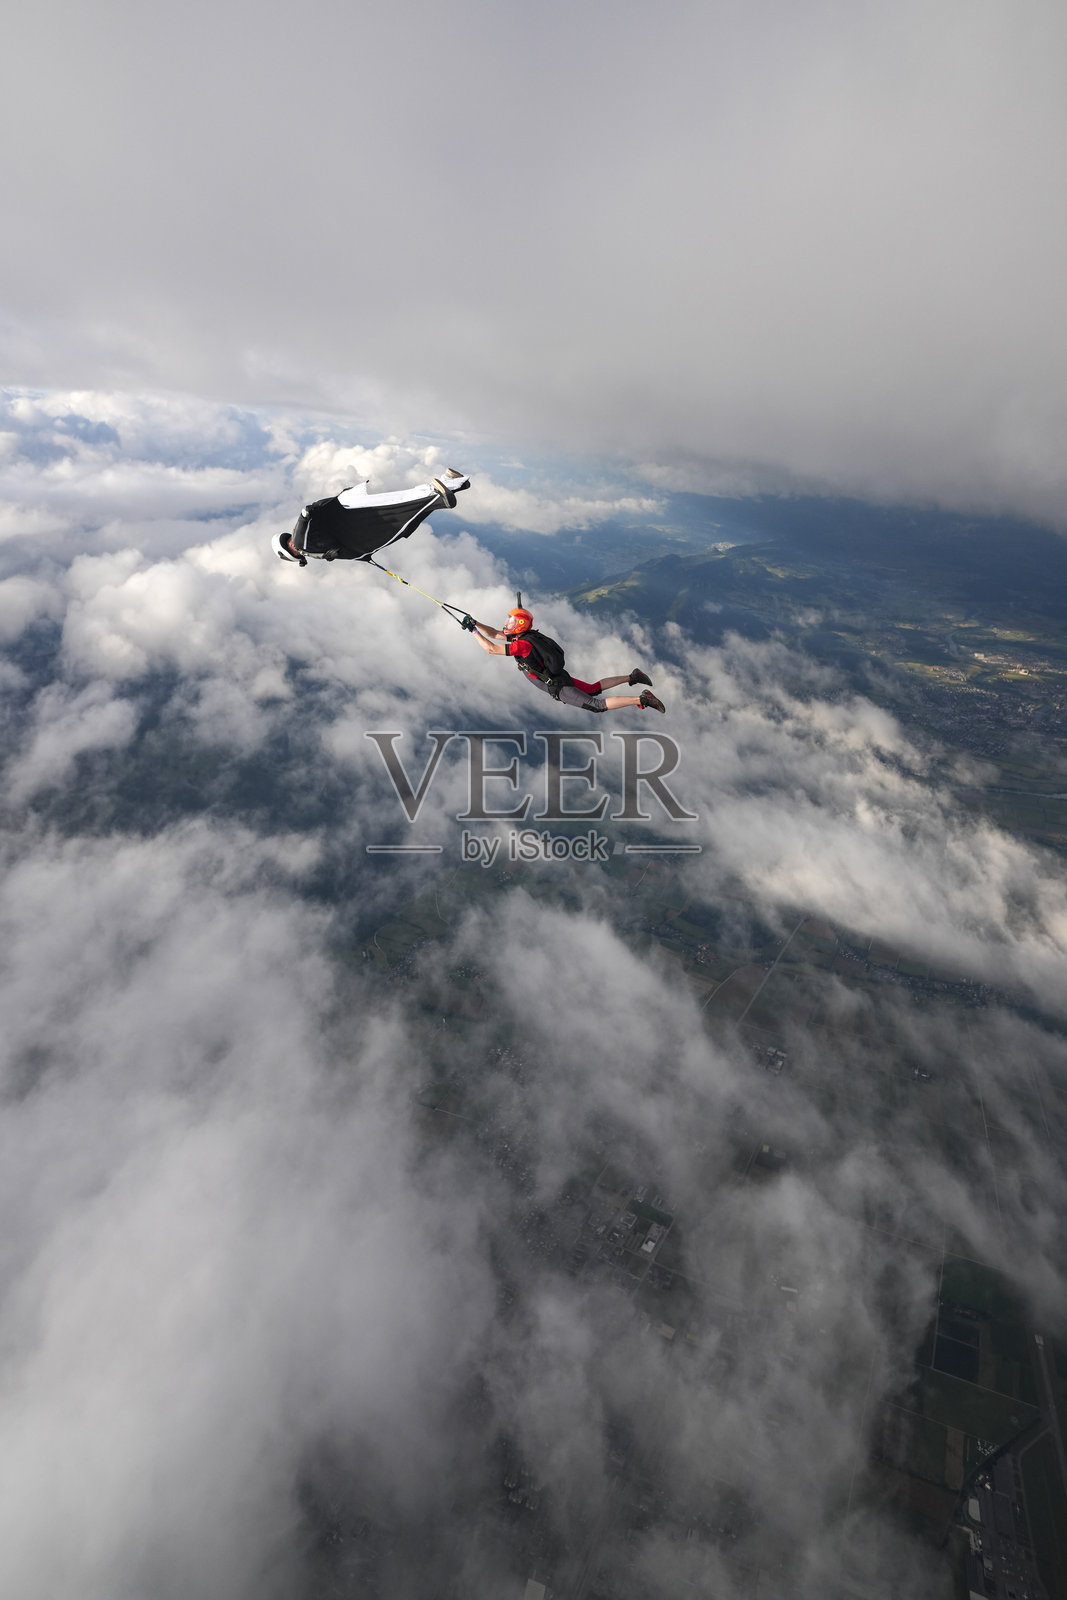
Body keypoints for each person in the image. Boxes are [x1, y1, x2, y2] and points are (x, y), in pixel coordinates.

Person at [465, 607, 666, 713]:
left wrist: (472, 631)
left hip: (557, 687)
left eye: (511, 621)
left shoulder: (521, 644)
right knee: (593, 687)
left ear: (519, 624)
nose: (507, 623)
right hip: (558, 675)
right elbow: (493, 633)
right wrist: (475, 623)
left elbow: (490, 648)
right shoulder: (526, 636)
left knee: (597, 705)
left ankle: (642, 699)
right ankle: (632, 676)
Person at [273, 469, 471, 565]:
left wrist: (365, 557)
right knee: (401, 515)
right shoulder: (307, 546)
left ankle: (443, 493)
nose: (291, 542)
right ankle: (452, 484)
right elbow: (306, 523)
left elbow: (306, 518)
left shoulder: (307, 545)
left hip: (354, 519)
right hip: (350, 511)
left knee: (399, 514)